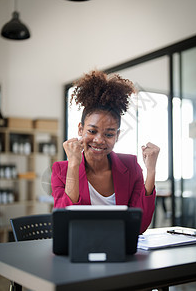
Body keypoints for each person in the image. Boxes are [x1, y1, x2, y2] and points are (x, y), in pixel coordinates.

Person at [51, 70, 160, 233]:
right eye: (92, 131)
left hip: (120, 251)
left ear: (117, 135)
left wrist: (151, 171)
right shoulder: (61, 170)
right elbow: (67, 225)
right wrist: (73, 165)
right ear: (80, 130)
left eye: (109, 134)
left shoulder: (130, 166)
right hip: (80, 250)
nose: (99, 140)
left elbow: (140, 225)